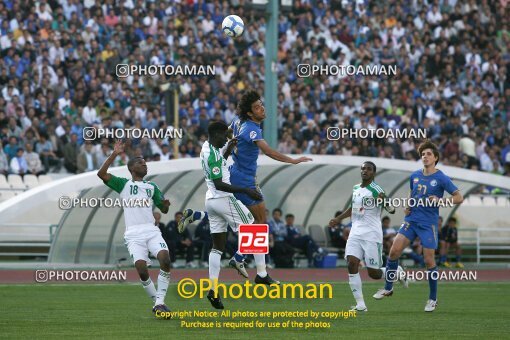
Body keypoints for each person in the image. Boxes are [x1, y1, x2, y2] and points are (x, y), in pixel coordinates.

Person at [189, 121, 279, 309]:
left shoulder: (207, 147)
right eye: (224, 136)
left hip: (211, 201)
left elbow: (220, 163)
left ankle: (213, 289)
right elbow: (219, 183)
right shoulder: (212, 154)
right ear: (216, 134)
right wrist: (246, 190)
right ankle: (259, 272)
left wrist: (228, 149)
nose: (226, 139)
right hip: (223, 198)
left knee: (217, 247)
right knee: (256, 227)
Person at [373, 140, 464, 312]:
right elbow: (411, 191)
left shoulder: (441, 177)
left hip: (428, 224)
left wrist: (441, 200)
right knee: (393, 251)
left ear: (435, 158)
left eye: (429, 154)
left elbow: (459, 197)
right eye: (423, 154)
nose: (425, 156)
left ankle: (432, 299)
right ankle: (388, 287)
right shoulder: (414, 175)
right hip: (411, 220)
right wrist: (408, 204)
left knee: (429, 260)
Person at [227, 90, 312, 268]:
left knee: (253, 221)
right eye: (257, 108)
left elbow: (228, 133)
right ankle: (241, 258)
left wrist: (231, 147)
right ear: (250, 113)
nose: (262, 109)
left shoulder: (238, 122)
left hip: (235, 173)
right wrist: (293, 160)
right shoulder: (250, 128)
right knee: (260, 222)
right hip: (244, 179)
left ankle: (257, 268)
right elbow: (269, 151)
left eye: (261, 105)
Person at [97, 140, 172, 318]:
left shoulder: (152, 187)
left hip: (151, 230)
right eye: (140, 163)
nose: (144, 165)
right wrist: (114, 154)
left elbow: (164, 209)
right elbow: (101, 174)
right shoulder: (123, 184)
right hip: (133, 234)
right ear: (131, 168)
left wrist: (165, 204)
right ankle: (157, 303)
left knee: (165, 259)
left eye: (145, 163)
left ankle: (160, 302)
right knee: (141, 269)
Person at [329, 161, 404, 312]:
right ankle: (360, 305)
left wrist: (385, 202)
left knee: (374, 273)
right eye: (363, 168)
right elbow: (353, 208)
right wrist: (338, 219)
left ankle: (396, 272)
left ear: (373, 173)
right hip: (355, 232)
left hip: (371, 234)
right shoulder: (356, 188)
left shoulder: (377, 190)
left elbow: (392, 210)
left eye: (369, 169)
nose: (365, 171)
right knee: (351, 264)